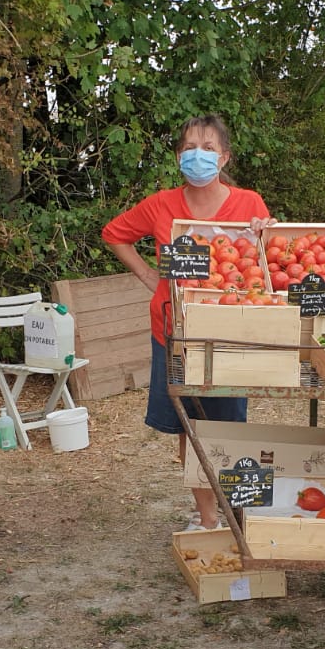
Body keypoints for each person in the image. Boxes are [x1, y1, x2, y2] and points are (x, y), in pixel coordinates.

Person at [102, 115, 272, 530]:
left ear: (225, 156)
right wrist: (148, 276)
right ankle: (208, 519)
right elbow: (114, 234)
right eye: (190, 148)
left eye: (209, 148)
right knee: (189, 428)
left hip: (230, 333)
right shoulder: (161, 204)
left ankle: (239, 515)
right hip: (175, 333)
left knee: (230, 427)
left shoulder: (249, 203)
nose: (199, 155)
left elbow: (270, 260)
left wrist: (265, 232)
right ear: (179, 156)